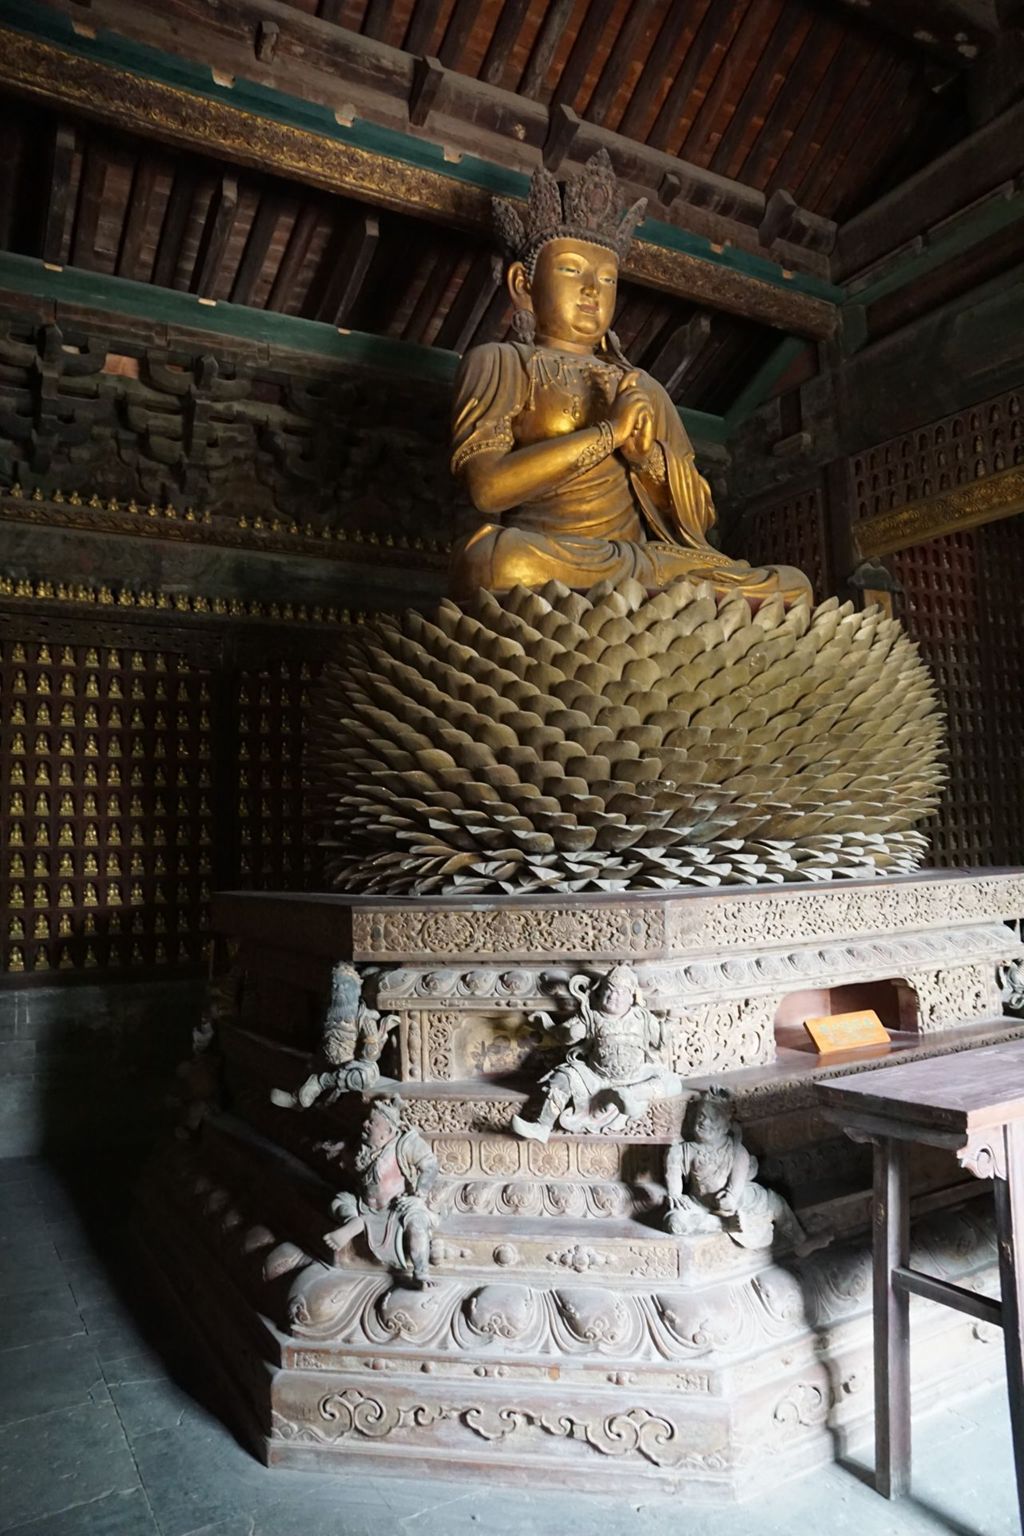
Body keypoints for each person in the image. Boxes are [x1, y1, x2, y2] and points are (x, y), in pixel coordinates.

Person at [450, 149, 811, 606]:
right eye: (571, 270)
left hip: (643, 561)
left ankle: (643, 601)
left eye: (607, 280)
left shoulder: (642, 387)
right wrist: (610, 432)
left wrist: (646, 458)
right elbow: (488, 488)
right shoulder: (501, 362)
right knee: (494, 561)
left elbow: (700, 515)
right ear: (523, 284)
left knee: (792, 584)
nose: (591, 290)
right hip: (556, 553)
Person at [511, 963, 682, 1141]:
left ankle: (629, 1095)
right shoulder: (591, 1016)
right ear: (600, 992)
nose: (613, 996)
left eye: (620, 993)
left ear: (631, 997)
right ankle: (542, 1126)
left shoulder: (642, 1017)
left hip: (636, 1077)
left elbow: (660, 1040)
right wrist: (571, 1034)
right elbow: (562, 1035)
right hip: (596, 1077)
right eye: (609, 990)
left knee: (672, 1083)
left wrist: (671, 1020)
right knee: (562, 1077)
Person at [665, 1086, 812, 1252]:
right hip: (698, 1203)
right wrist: (675, 1195)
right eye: (701, 1116)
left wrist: (730, 1199)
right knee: (675, 1223)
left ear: (726, 1126)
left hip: (737, 1201)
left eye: (713, 1119)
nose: (704, 1122)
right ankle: (723, 1224)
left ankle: (801, 1242)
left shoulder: (738, 1152)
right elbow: (673, 1175)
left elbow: (733, 1192)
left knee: (774, 1201)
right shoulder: (683, 1151)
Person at [325, 1096, 437, 1287]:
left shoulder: (404, 1143)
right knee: (339, 1201)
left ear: (388, 1131)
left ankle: (421, 1273)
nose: (365, 1124)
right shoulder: (362, 1144)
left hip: (398, 1206)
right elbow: (347, 1149)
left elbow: (431, 1165)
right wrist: (338, 1148)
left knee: (417, 1225)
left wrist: (419, 1195)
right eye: (366, 1120)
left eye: (372, 1122)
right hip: (364, 1204)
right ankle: (354, 1222)